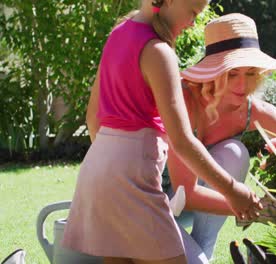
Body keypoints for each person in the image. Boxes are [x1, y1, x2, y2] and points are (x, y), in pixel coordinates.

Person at [62, 1, 262, 264]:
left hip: (96, 169)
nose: (192, 23)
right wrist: (232, 189)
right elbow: (181, 140)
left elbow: (92, 118)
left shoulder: (118, 34)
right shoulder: (158, 52)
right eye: (192, 13)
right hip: (133, 175)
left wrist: (111, 165)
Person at [163, 13, 276, 260]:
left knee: (235, 152)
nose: (242, 85)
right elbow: (185, 193)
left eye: (250, 73)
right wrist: (266, 210)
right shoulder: (184, 100)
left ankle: (204, 250)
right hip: (149, 204)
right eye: (232, 73)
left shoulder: (250, 111)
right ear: (213, 71)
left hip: (184, 206)